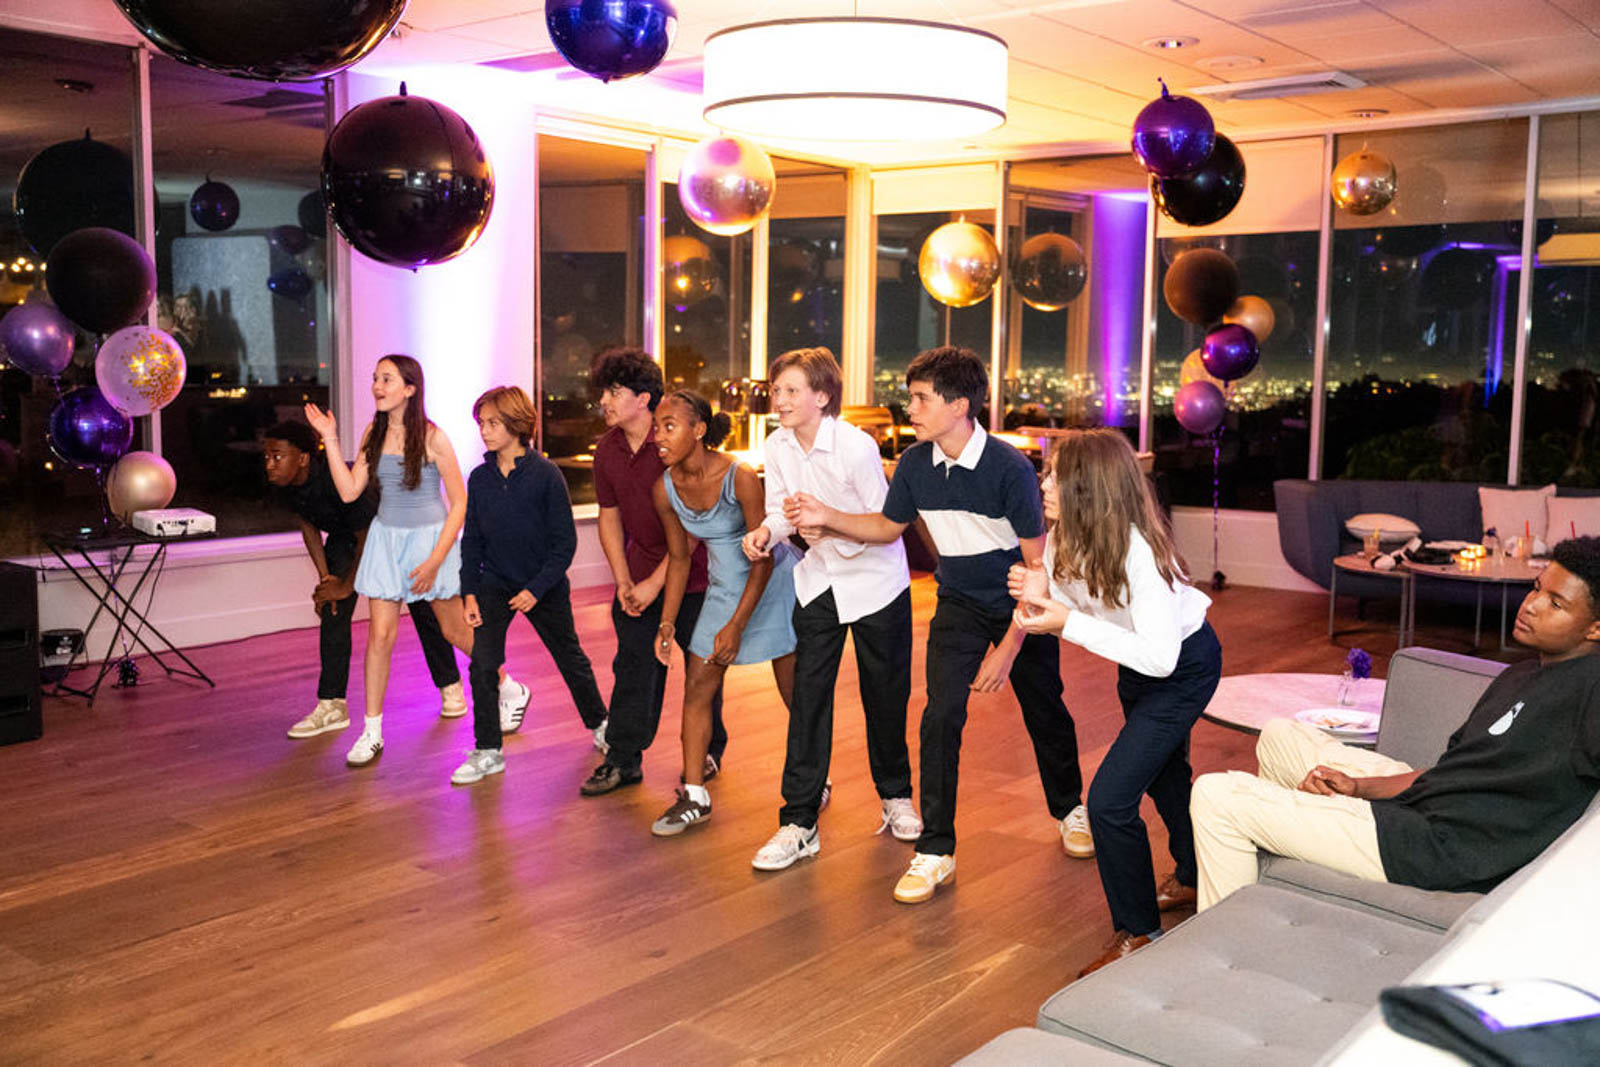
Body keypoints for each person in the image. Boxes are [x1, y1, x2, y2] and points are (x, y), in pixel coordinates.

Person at [785, 346, 1086, 904]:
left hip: (1021, 603)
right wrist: (828, 517)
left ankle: (1070, 809)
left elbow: (1037, 569)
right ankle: (936, 849)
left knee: (1044, 706)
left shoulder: (1009, 469)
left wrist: (1008, 648)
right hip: (959, 605)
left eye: (922, 399)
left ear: (959, 405)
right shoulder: (917, 465)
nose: (911, 409)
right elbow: (886, 527)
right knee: (940, 715)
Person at [1191, 536, 1600, 913]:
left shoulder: (1590, 687)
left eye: (1556, 604)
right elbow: (1445, 773)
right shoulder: (1522, 674)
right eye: (1535, 588)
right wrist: (1357, 787)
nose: (1531, 605)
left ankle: (1227, 947)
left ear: (1596, 628)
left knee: (1216, 797)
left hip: (1435, 848)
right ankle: (1284, 879)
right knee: (1280, 736)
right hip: (1423, 806)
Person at [1008, 429, 1221, 975]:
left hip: (1182, 667)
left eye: (1056, 476)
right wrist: (1036, 597)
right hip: (1138, 665)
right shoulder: (1063, 537)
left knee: (1108, 800)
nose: (1044, 483)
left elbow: (1161, 659)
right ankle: (1196, 875)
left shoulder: (1140, 553)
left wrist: (1065, 622)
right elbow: (1068, 601)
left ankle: (1139, 930)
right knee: (1165, 776)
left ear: (1090, 486)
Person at [742, 347, 921, 872]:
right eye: (777, 390)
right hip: (819, 581)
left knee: (884, 696)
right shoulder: (776, 445)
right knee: (809, 697)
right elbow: (781, 511)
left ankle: (896, 796)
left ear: (822, 397)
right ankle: (799, 820)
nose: (780, 400)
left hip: (876, 583)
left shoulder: (856, 447)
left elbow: (886, 524)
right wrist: (766, 532)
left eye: (791, 390)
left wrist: (827, 520)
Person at [304, 354, 520, 767]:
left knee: (454, 631)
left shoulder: (434, 438)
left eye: (386, 379)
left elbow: (459, 504)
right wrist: (330, 438)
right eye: (375, 378)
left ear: (410, 388)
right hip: (387, 541)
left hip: (430, 543)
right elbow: (349, 491)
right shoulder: (373, 433)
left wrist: (436, 561)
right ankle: (372, 732)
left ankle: (508, 685)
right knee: (379, 637)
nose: (377, 386)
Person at [580, 348, 729, 797]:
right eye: (604, 391)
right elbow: (609, 515)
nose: (604, 401)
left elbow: (696, 525)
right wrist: (623, 580)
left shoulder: (675, 444)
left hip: (699, 578)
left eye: (614, 391)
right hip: (641, 571)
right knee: (633, 665)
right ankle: (623, 759)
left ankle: (707, 750)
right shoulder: (607, 450)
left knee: (702, 669)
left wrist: (653, 584)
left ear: (643, 398)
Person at [263, 420, 471, 739]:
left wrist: (345, 586)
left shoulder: (334, 479)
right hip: (344, 537)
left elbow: (365, 536)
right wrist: (326, 580)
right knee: (333, 609)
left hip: (384, 529)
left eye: (277, 456)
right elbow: (309, 526)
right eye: (267, 456)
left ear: (302, 458)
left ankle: (450, 685)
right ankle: (332, 704)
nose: (270, 464)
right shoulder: (285, 484)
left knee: (422, 606)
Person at [651, 390, 798, 836]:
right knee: (697, 686)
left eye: (669, 426)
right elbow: (680, 559)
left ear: (698, 430)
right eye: (657, 427)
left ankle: (812, 780)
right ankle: (695, 796)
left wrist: (736, 626)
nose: (658, 436)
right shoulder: (664, 489)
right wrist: (667, 623)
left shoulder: (740, 477)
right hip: (724, 589)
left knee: (794, 693)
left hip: (773, 584)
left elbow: (764, 556)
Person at [452, 386, 609, 785]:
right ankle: (488, 751)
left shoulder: (546, 475)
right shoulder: (480, 479)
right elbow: (472, 541)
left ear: (517, 425)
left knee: (570, 659)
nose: (484, 431)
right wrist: (469, 592)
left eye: (493, 423)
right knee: (483, 666)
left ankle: (601, 726)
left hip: (545, 586)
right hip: (494, 585)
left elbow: (564, 544)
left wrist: (536, 589)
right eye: (482, 423)